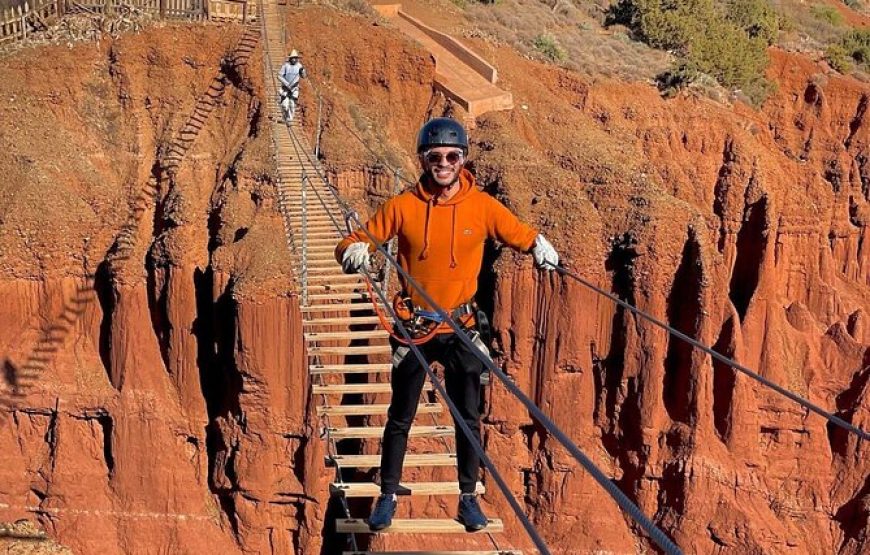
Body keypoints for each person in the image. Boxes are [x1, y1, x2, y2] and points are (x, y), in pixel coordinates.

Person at [334, 117, 560, 532]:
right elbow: (353, 241)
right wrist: (353, 253)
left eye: (452, 156)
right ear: (423, 159)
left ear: (463, 159)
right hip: (414, 327)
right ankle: (388, 494)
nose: (443, 163)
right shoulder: (402, 206)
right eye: (435, 156)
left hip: (460, 327)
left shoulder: (483, 206)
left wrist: (538, 244)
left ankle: (467, 498)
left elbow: (517, 232)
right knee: (400, 415)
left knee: (468, 417)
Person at [277, 49, 307, 122]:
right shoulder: (285, 66)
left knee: (292, 104)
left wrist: (302, 71)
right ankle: (285, 116)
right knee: (284, 105)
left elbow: (304, 76)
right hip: (285, 88)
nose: (294, 59)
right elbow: (279, 76)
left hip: (294, 88)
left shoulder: (299, 66)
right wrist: (286, 83)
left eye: (295, 58)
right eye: (292, 58)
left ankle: (289, 119)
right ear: (290, 58)